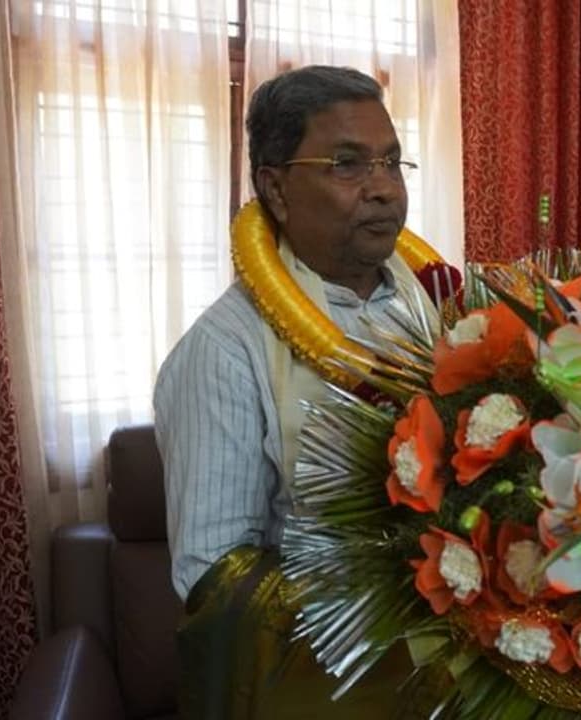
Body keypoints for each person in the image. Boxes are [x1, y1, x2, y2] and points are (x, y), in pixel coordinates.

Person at [154, 65, 434, 718]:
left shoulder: (432, 302)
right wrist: (400, 591)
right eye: (348, 164)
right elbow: (214, 576)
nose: (384, 190)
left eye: (392, 163)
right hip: (330, 686)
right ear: (274, 188)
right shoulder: (225, 350)